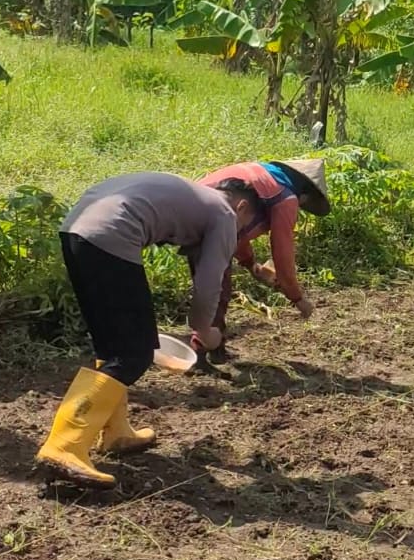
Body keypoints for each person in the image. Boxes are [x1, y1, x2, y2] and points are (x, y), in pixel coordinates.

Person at [36, 171, 259, 488]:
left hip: (77, 230)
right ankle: (65, 445)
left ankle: (116, 432)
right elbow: (209, 285)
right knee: (134, 354)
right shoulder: (225, 213)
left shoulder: (198, 197)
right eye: (245, 227)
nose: (239, 234)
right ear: (242, 208)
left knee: (113, 346)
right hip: (111, 237)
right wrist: (205, 330)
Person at [194, 158, 330, 344]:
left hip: (190, 210)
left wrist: (251, 265)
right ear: (304, 196)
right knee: (217, 291)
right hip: (210, 223)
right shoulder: (286, 197)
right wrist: (297, 298)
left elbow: (238, 231)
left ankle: (211, 342)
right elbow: (282, 250)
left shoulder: (263, 177)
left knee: (211, 288)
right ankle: (206, 348)